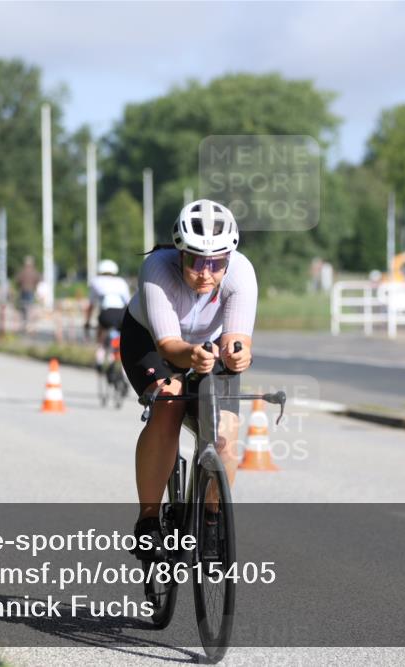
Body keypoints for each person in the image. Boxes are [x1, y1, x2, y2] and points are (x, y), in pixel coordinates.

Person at [120, 199, 256, 559]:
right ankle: (148, 521)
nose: (205, 272)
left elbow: (236, 339)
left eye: (216, 263)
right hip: (150, 341)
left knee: (225, 433)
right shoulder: (157, 269)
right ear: (179, 254)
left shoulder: (242, 273)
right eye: (196, 260)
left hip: (208, 347)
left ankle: (212, 523)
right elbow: (168, 346)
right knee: (169, 402)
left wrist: (238, 354)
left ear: (229, 258)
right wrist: (192, 357)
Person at [85, 259, 131, 369]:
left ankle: (100, 360)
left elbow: (91, 305)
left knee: (101, 335)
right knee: (121, 338)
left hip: (106, 313)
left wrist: (87, 321)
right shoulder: (121, 282)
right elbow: (128, 302)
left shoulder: (96, 281)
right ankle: (118, 358)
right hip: (121, 313)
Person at [16, 256, 41, 332]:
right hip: (31, 291)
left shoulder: (23, 271)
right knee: (30, 307)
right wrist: (34, 286)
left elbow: (18, 280)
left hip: (23, 291)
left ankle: (25, 324)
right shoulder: (34, 271)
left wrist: (21, 286)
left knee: (24, 308)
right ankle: (30, 325)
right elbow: (38, 279)